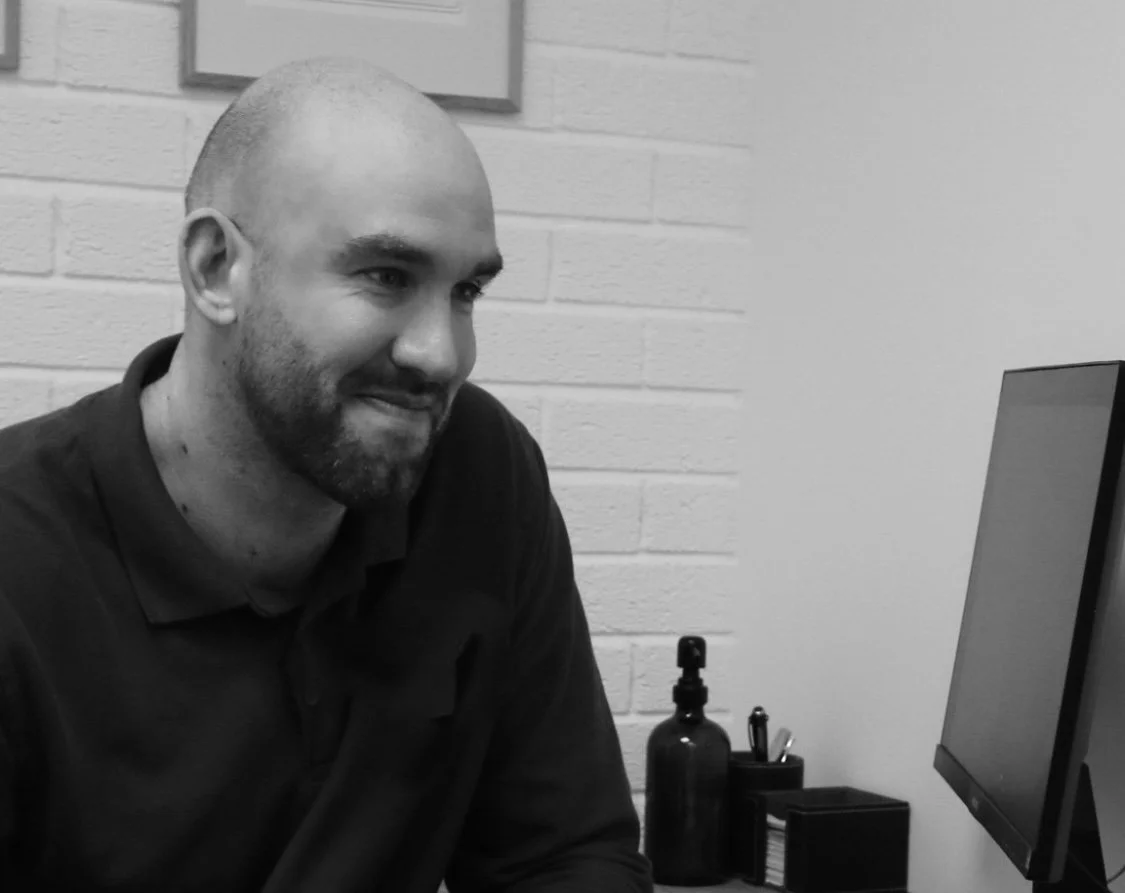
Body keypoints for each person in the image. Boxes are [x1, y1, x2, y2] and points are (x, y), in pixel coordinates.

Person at [0, 56, 652, 892]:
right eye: (386, 276)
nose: (440, 355)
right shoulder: (21, 561)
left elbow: (563, 855)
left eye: (466, 292)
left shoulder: (476, 471)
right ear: (213, 268)